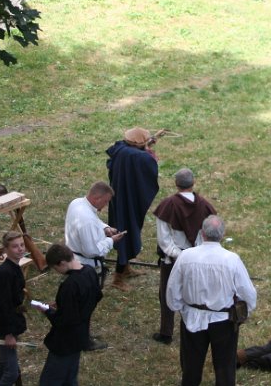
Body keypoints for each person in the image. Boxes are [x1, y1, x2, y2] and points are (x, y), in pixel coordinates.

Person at [166, 215, 257, 386]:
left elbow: (172, 289)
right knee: (225, 368)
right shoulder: (231, 260)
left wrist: (180, 308)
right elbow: (248, 293)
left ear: (202, 233)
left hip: (192, 319)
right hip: (223, 322)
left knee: (191, 367)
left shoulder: (186, 256)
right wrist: (246, 311)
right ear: (222, 235)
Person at [152, 168, 217, 345]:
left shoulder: (167, 205)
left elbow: (164, 240)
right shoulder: (204, 206)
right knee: (196, 293)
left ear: (176, 184)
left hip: (173, 260)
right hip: (198, 259)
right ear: (193, 183)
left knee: (167, 293)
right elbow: (209, 234)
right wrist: (197, 253)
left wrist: (179, 255)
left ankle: (166, 333)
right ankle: (195, 328)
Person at [35, 244, 103, 386]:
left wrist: (47, 310)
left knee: (50, 381)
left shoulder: (70, 285)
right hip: (81, 335)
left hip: (65, 342)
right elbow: (97, 295)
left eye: (56, 268)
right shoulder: (90, 271)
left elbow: (64, 320)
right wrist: (64, 303)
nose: (58, 272)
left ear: (62, 263)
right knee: (70, 378)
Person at [106, 126, 160, 289]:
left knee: (126, 231)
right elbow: (149, 162)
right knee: (126, 234)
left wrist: (147, 144)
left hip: (120, 196)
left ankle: (126, 269)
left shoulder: (120, 149)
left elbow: (136, 153)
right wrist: (148, 150)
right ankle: (117, 278)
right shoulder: (136, 156)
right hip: (127, 200)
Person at [64, 181, 125, 288]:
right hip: (86, 267)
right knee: (88, 294)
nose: (106, 205)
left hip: (74, 257)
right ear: (97, 199)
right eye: (106, 201)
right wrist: (111, 240)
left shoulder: (77, 203)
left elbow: (94, 219)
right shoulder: (87, 220)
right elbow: (92, 251)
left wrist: (105, 228)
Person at [0, 231, 27, 386]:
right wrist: (8, 334)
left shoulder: (14, 268)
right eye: (15, 246)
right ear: (5, 249)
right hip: (4, 326)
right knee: (11, 372)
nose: (20, 249)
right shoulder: (4, 273)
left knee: (5, 362)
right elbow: (1, 305)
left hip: (9, 321)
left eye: (22, 245)